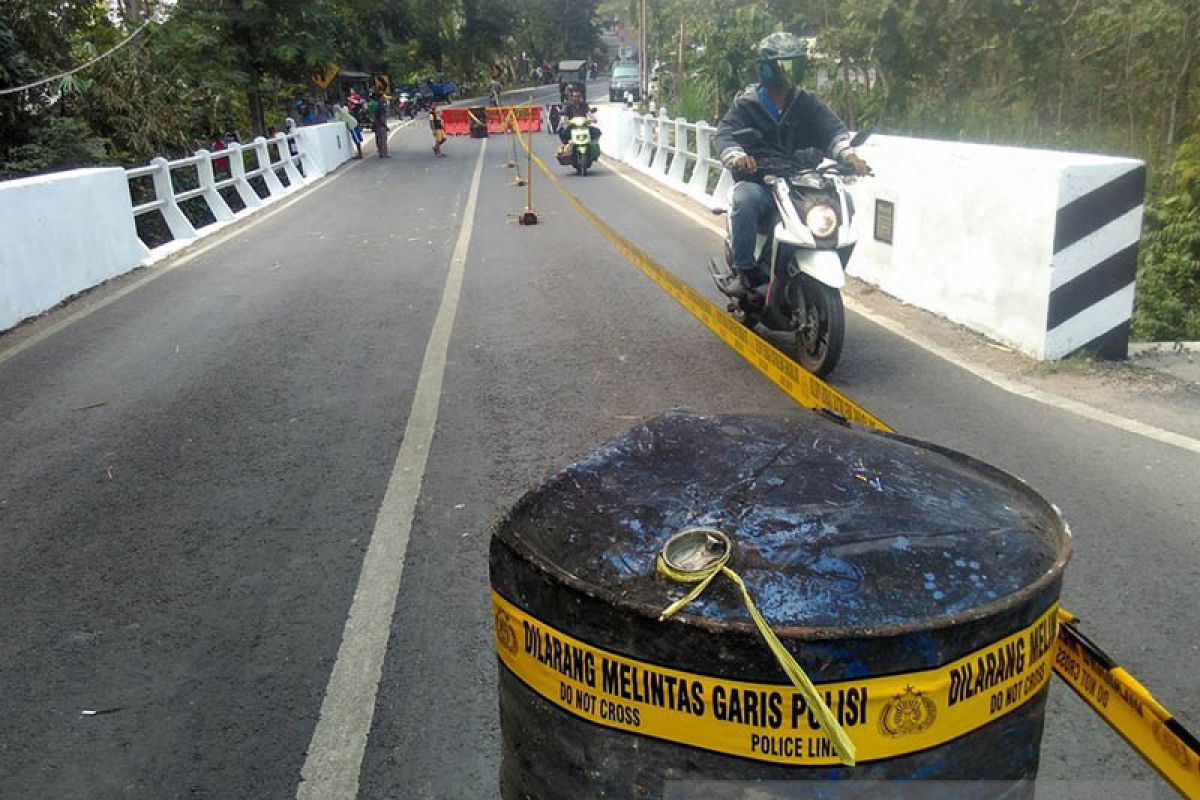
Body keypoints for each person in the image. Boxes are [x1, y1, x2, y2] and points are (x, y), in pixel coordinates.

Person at [715, 32, 870, 295]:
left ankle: (823, 265)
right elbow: (726, 133)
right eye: (782, 66)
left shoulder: (806, 103)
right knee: (745, 200)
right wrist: (739, 158)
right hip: (762, 181)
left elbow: (831, 131)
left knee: (845, 204)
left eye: (793, 65)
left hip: (801, 180)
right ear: (766, 68)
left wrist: (849, 156)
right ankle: (744, 271)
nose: (788, 73)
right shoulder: (747, 104)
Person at [369, 91, 389, 157]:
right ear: (380, 98)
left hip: (377, 124)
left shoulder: (378, 105)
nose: (384, 99)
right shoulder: (381, 106)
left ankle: (381, 153)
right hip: (381, 125)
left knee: (379, 139)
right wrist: (385, 126)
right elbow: (382, 117)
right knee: (383, 139)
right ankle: (383, 154)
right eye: (383, 97)